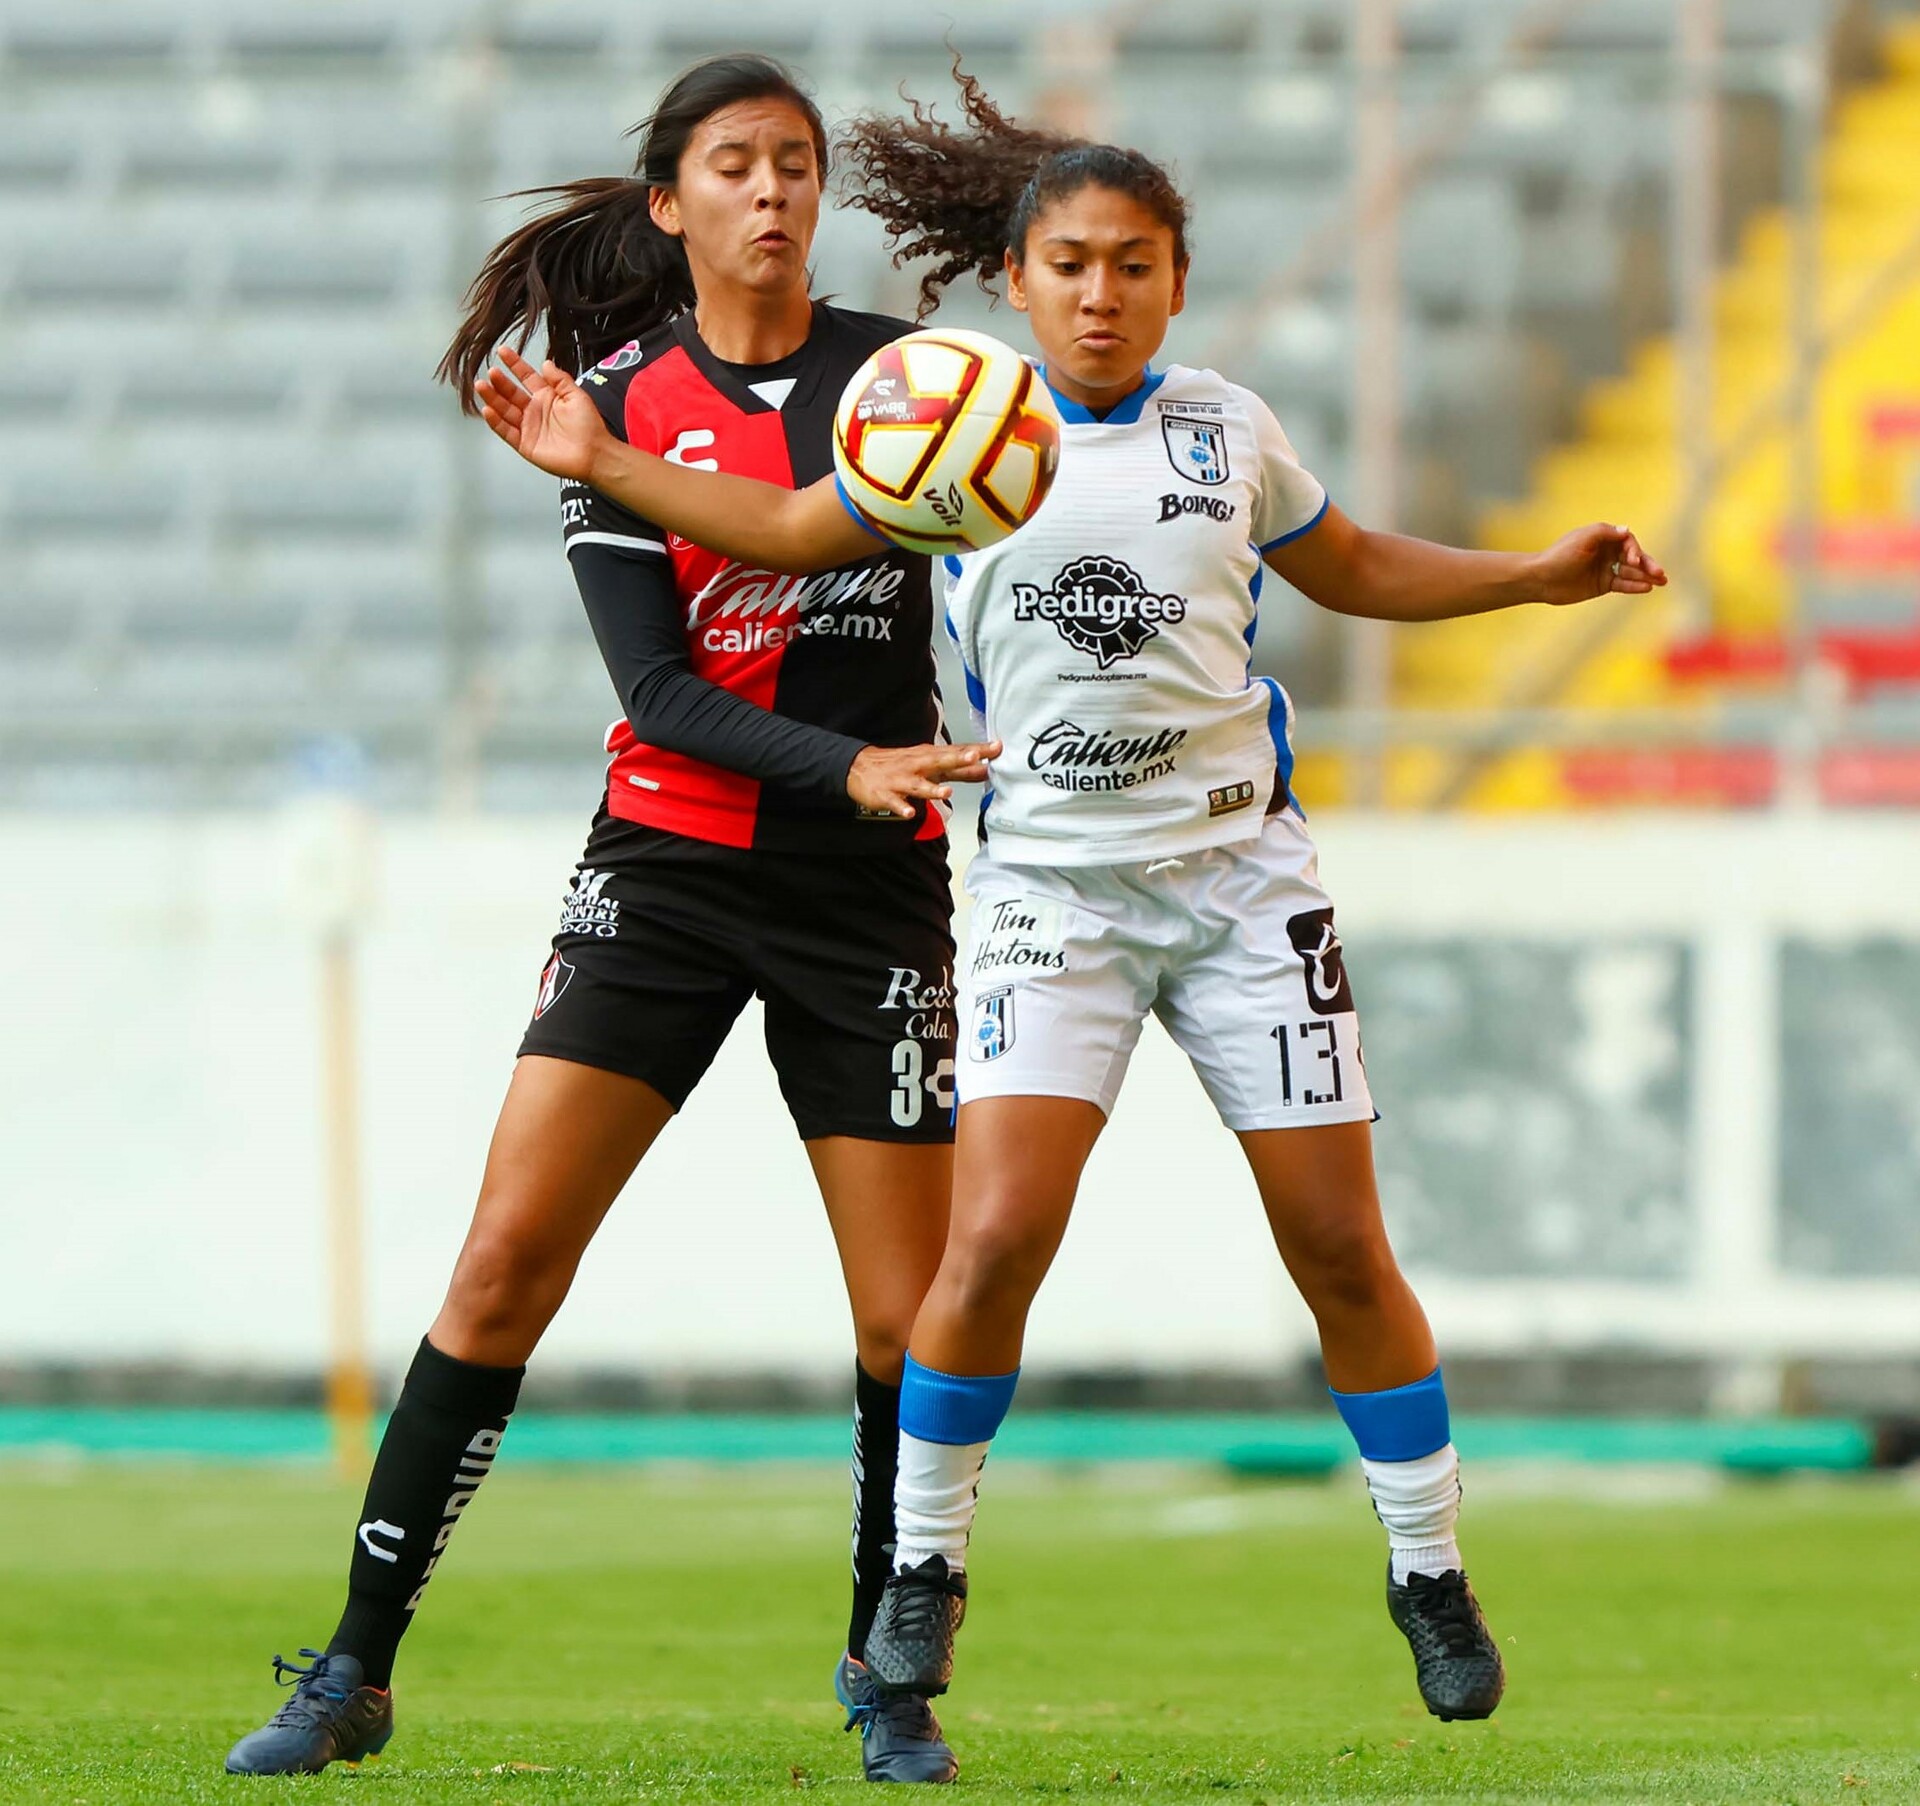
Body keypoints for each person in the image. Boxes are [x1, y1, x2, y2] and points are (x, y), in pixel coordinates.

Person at [472, 70, 1666, 1731]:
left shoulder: (1227, 430)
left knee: (1338, 1243)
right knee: (996, 1240)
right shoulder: (958, 437)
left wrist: (1539, 572)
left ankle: (1428, 1568)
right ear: (1015, 285)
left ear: (1178, 279)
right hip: (1048, 895)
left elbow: (1358, 565)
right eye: (1071, 266)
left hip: (1246, 887)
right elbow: (775, 521)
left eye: (1134, 264)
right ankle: (921, 1575)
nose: (1101, 293)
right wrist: (601, 456)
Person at [223, 55, 986, 1785]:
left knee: (902, 1322)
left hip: (863, 886)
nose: (777, 189)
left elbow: (1005, 553)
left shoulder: (913, 387)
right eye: (736, 163)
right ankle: (353, 1667)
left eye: (798, 162)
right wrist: (848, 759)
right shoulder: (613, 405)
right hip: (666, 866)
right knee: (503, 1264)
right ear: (672, 204)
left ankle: (890, 1677)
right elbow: (659, 690)